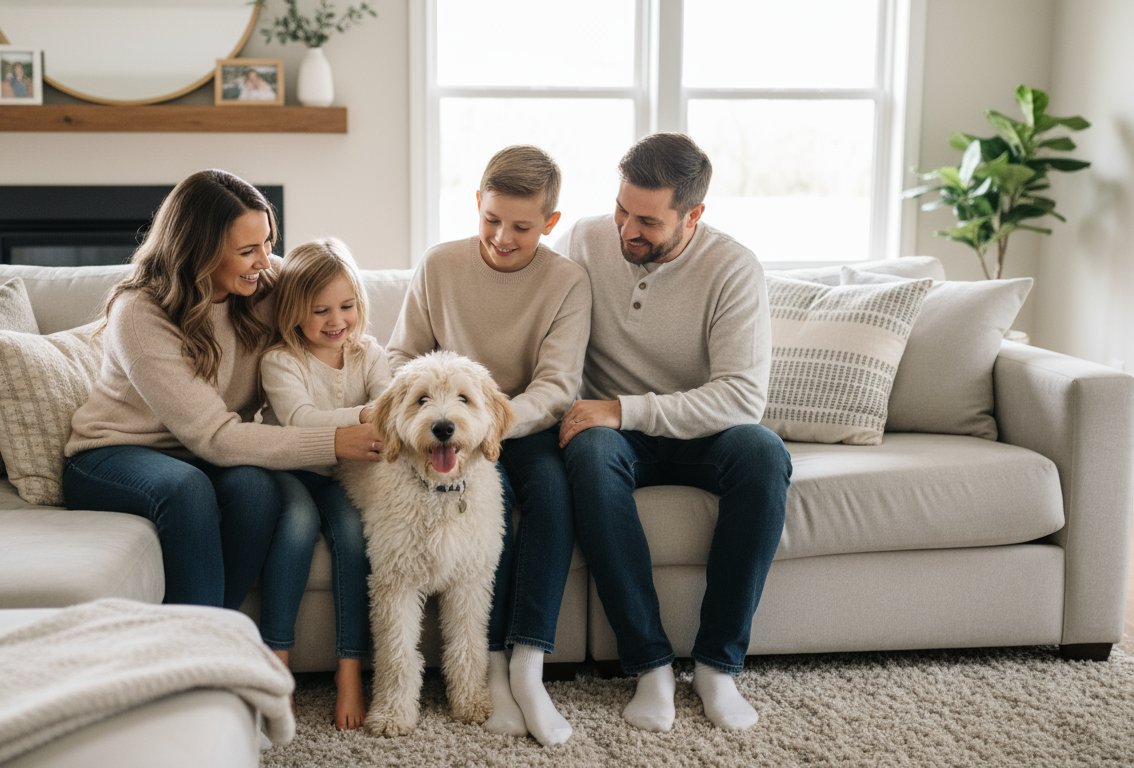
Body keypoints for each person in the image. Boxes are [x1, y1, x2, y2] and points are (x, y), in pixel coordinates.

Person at [63, 170, 383, 625]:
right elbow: (216, 436)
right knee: (187, 490)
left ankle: (213, 633)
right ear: (201, 250)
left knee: (255, 491)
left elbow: (333, 299)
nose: (265, 261)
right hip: (116, 453)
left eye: (268, 243)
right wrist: (335, 440)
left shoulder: (264, 285)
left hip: (200, 453)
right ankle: (199, 651)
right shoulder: (139, 313)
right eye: (248, 251)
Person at [553, 132, 791, 733]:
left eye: (648, 221)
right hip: (613, 435)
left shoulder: (732, 267)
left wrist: (624, 409)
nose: (627, 230)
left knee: (763, 451)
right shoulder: (584, 238)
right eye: (621, 210)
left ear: (694, 215)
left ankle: (717, 666)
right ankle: (650, 665)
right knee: (589, 448)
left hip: (701, 433)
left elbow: (742, 397)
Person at [387, 144, 591, 746]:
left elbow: (557, 385)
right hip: (444, 426)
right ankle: (486, 672)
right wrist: (430, 414)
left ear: (550, 223)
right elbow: (400, 356)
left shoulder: (566, 281)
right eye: (491, 219)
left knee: (552, 494)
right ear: (477, 203)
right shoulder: (439, 265)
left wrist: (490, 429)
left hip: (512, 424)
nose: (502, 237)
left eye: (522, 227)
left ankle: (523, 663)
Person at [258, 237, 389, 731]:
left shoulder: (369, 353)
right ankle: (278, 667)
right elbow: (299, 419)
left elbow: (391, 403)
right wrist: (362, 414)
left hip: (343, 476)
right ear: (294, 312)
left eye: (347, 306)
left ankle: (350, 671)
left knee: (354, 536)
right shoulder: (281, 359)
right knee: (296, 524)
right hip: (290, 469)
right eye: (321, 310)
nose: (337, 320)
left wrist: (379, 413)